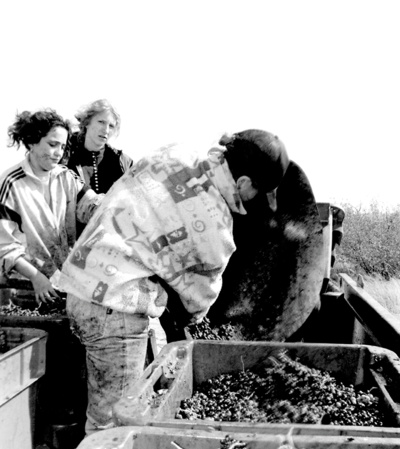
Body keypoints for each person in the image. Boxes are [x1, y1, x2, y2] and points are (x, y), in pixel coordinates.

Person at [56, 129, 290, 433]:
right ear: (243, 183)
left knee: (102, 401)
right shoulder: (215, 226)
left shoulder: (174, 153)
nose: (254, 198)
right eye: (256, 191)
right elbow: (196, 304)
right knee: (112, 425)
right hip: (115, 309)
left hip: (80, 285)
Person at [0, 109, 103, 304]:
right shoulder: (11, 184)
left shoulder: (67, 177)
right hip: (26, 289)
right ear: (31, 142)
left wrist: (115, 204)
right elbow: (4, 246)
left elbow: (92, 207)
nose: (58, 153)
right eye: (52, 144)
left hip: (64, 282)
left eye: (62, 147)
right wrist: (36, 277)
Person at [64, 98, 134, 196]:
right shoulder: (64, 152)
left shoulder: (122, 162)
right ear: (87, 122)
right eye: (101, 122)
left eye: (111, 126)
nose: (106, 130)